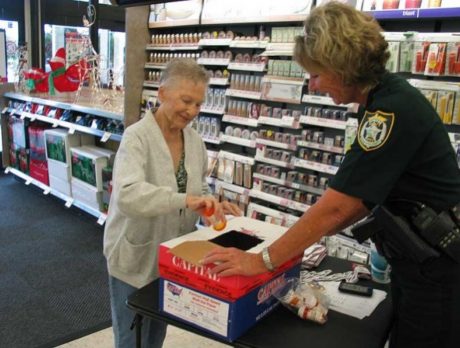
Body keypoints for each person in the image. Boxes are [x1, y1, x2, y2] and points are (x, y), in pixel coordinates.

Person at [202, 2, 460, 348]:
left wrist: (262, 260)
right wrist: (292, 249)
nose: (313, 84)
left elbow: (339, 206)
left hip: (439, 274)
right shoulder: (384, 99)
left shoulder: (390, 111)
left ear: (343, 66)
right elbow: (358, 202)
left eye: (317, 73)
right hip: (425, 264)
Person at [103, 58, 241, 348]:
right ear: (163, 93)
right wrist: (186, 199)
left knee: (157, 335)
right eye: (186, 101)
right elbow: (128, 195)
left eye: (199, 105)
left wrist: (211, 205)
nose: (192, 112)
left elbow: (199, 187)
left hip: (174, 258)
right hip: (135, 255)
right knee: (131, 338)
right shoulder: (136, 137)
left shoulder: (195, 142)